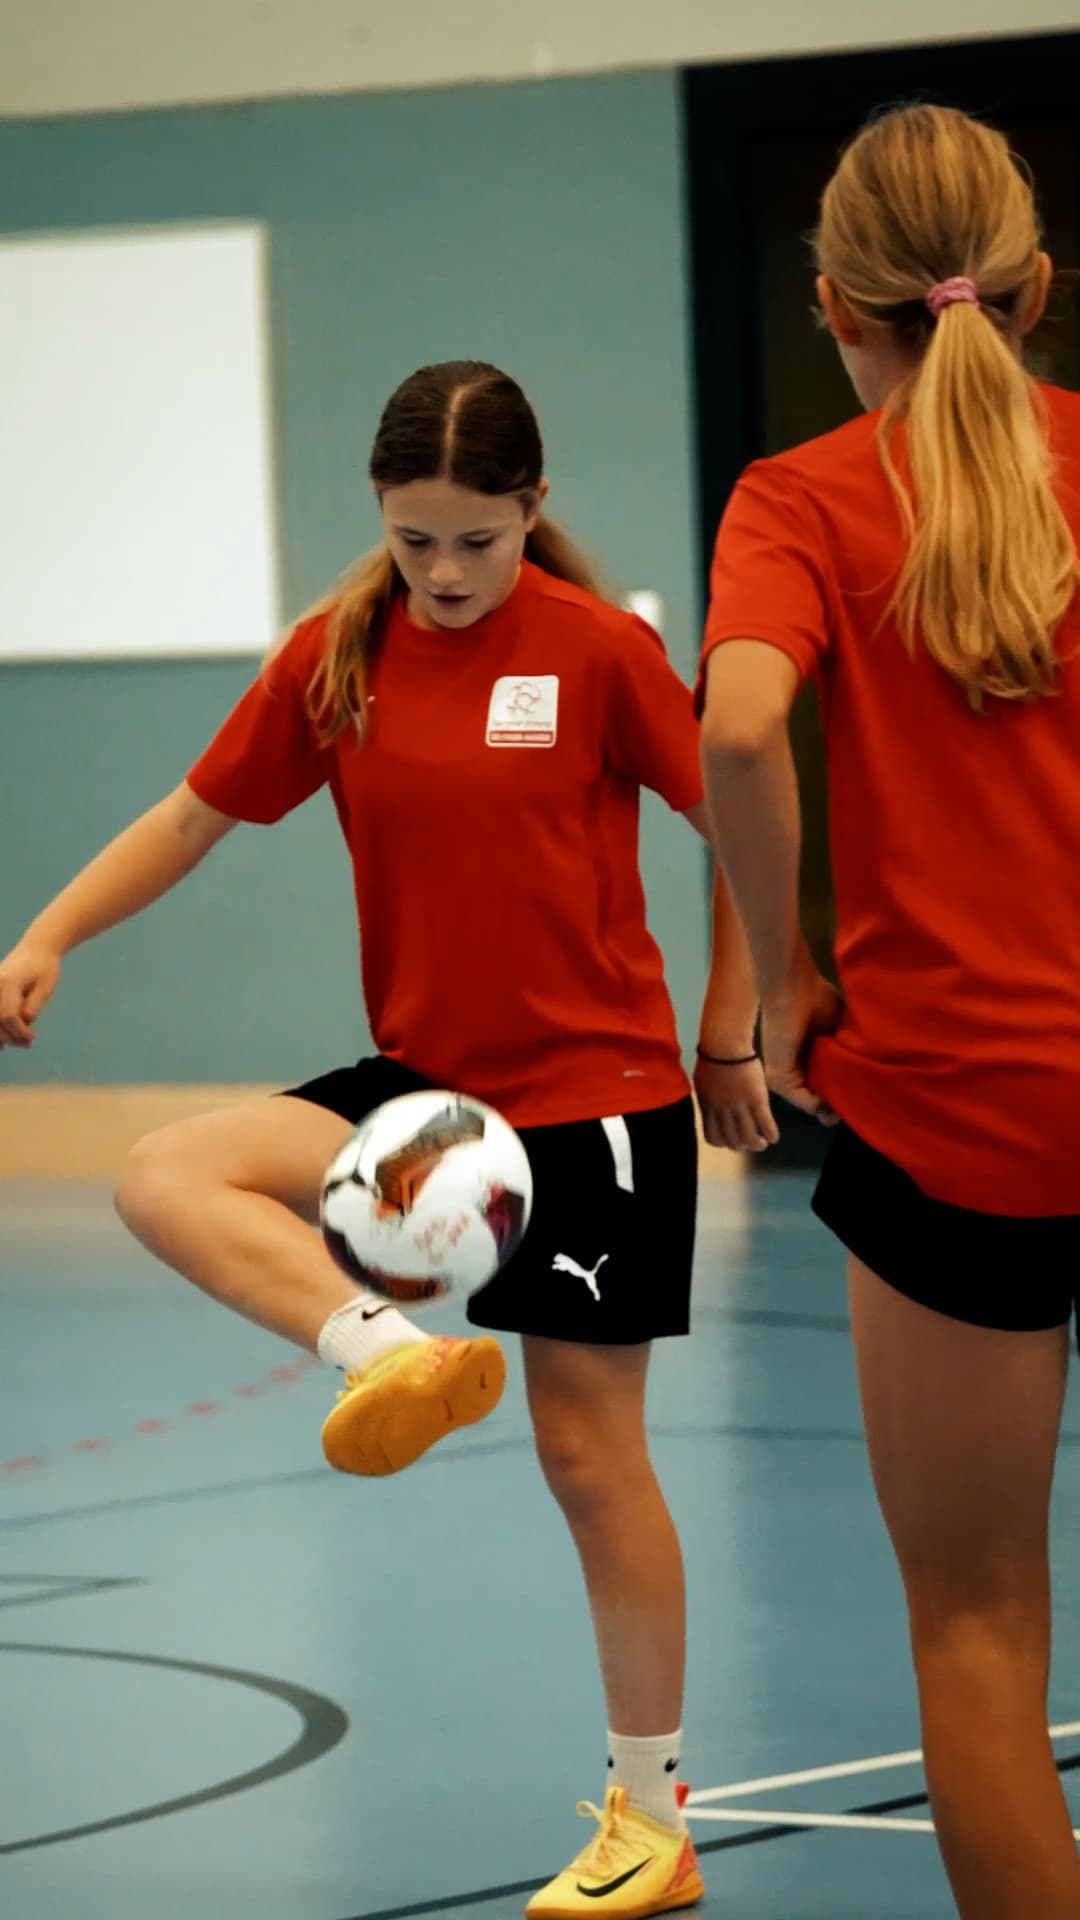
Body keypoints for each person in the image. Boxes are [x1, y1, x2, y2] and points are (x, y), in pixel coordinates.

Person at [0, 359, 774, 1918]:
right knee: (165, 1172)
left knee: (586, 1456)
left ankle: (650, 1819)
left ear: (530, 511)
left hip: (596, 1106)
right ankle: (387, 1357)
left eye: (475, 540)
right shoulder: (338, 654)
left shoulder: (602, 652)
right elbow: (191, 817)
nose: (442, 573)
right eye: (414, 538)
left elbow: (745, 829)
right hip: (426, 1098)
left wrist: (727, 1032)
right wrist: (50, 931)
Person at [698, 104, 1080, 1920]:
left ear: (840, 306)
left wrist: (780, 983)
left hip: (955, 1125)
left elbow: (740, 726)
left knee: (981, 1621)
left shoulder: (804, 499)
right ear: (1035, 292)